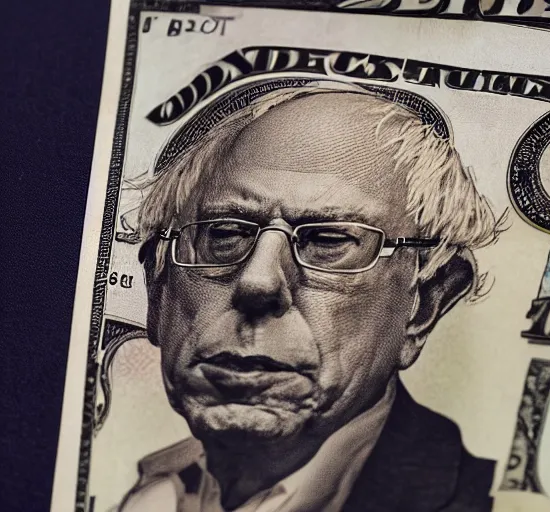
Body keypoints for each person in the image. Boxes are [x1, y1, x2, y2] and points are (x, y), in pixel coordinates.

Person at [121, 82, 501, 512]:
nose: (258, 283)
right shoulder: (151, 489)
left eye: (328, 240)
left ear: (425, 304)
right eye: (224, 233)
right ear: (158, 287)